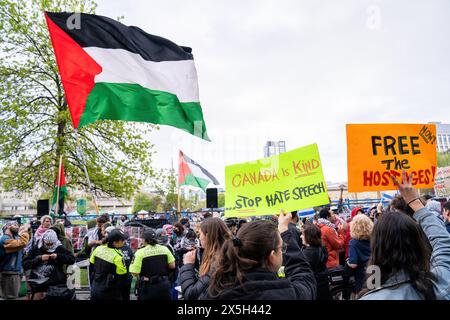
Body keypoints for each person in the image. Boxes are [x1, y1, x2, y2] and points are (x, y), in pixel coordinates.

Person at [360, 171, 450, 300]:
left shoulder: (370, 295)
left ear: (376, 248)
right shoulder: (439, 284)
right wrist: (415, 202)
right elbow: (444, 244)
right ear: (418, 243)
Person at [202, 211, 316, 300]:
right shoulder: (288, 294)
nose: (282, 252)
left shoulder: (214, 291)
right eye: (282, 248)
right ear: (272, 257)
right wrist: (283, 230)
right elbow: (303, 275)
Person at [180, 218, 232, 300]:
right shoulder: (227, 253)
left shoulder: (219, 261)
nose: (199, 238)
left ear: (207, 235)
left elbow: (191, 295)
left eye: (200, 234)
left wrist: (187, 265)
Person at [23, 229, 75, 300]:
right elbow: (25, 264)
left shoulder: (59, 248)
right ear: (43, 241)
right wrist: (39, 259)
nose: (50, 246)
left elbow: (72, 259)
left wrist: (58, 256)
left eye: (52, 244)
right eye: (47, 244)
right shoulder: (36, 249)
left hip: (55, 285)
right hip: (38, 284)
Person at [129, 228, 176, 300]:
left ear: (144, 240)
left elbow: (134, 272)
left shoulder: (140, 252)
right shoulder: (164, 249)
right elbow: (172, 266)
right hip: (163, 285)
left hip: (148, 286)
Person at [89, 229, 128, 300]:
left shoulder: (98, 249)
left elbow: (91, 266)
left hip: (94, 288)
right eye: (122, 240)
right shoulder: (118, 256)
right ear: (115, 242)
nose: (124, 242)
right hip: (109, 292)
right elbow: (122, 276)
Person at [102, 226, 134, 301]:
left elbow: (132, 260)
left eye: (124, 239)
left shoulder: (127, 248)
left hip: (126, 279)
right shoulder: (108, 249)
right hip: (114, 282)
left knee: (126, 297)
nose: (124, 241)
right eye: (122, 239)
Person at [0, 221, 30, 299]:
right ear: (7, 227)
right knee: (11, 297)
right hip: (9, 273)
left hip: (15, 272)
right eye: (15, 225)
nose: (17, 227)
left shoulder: (13, 239)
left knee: (14, 296)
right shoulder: (4, 239)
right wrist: (25, 231)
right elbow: (23, 243)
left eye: (18, 225)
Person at [300, 223, 330, 300]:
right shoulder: (321, 247)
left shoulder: (308, 253)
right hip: (323, 284)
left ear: (309, 237)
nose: (301, 236)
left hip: (315, 287)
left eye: (302, 234)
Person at [346, 214, 373, 298]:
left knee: (362, 295)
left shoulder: (353, 242)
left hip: (362, 275)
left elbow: (353, 264)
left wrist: (347, 261)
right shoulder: (374, 239)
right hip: (375, 270)